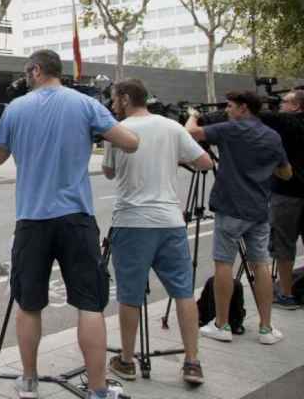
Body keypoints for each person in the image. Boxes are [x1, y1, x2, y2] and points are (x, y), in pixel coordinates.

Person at [0, 49, 139, 399]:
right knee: (90, 304)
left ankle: (28, 381)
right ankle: (99, 389)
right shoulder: (85, 105)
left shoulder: (16, 108)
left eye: (28, 72)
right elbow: (130, 143)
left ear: (37, 70)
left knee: (29, 303)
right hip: (77, 219)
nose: (27, 78)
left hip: (32, 219)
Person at [102, 79, 214, 386]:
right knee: (182, 291)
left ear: (125, 99)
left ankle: (126, 361)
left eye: (114, 98)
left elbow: (109, 171)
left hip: (132, 221)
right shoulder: (172, 127)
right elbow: (204, 162)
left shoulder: (117, 130)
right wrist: (171, 157)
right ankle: (192, 362)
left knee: (130, 294)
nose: (112, 104)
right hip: (170, 222)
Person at [185, 90, 293, 345]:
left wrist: (193, 115)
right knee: (261, 265)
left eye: (231, 106)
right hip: (259, 209)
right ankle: (266, 328)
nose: (227, 111)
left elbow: (190, 134)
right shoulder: (272, 136)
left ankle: (221, 324)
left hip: (231, 207)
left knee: (224, 264)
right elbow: (286, 173)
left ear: (244, 108)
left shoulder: (231, 130)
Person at [259, 89, 304, 309]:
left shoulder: (287, 123)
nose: (282, 106)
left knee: (283, 244)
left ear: (296, 106)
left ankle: (286, 294)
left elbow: (258, 114)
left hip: (287, 194)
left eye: (285, 102)